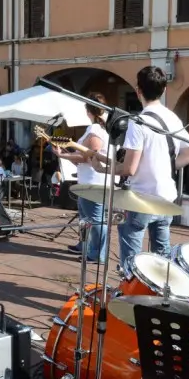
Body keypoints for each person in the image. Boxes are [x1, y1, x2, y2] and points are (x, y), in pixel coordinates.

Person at [91, 66, 189, 274]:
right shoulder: (172, 118)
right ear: (164, 89)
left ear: (138, 90)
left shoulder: (138, 122)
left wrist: (102, 168)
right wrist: (165, 167)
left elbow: (129, 169)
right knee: (162, 258)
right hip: (166, 197)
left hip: (141, 199)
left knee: (131, 260)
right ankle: (160, 298)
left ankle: (130, 296)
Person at [54, 92, 110, 263]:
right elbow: (86, 155)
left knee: (96, 219)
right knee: (86, 217)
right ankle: (84, 245)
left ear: (88, 110)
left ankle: (96, 254)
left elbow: (90, 155)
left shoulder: (95, 130)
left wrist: (63, 156)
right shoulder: (97, 128)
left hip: (94, 182)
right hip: (89, 180)